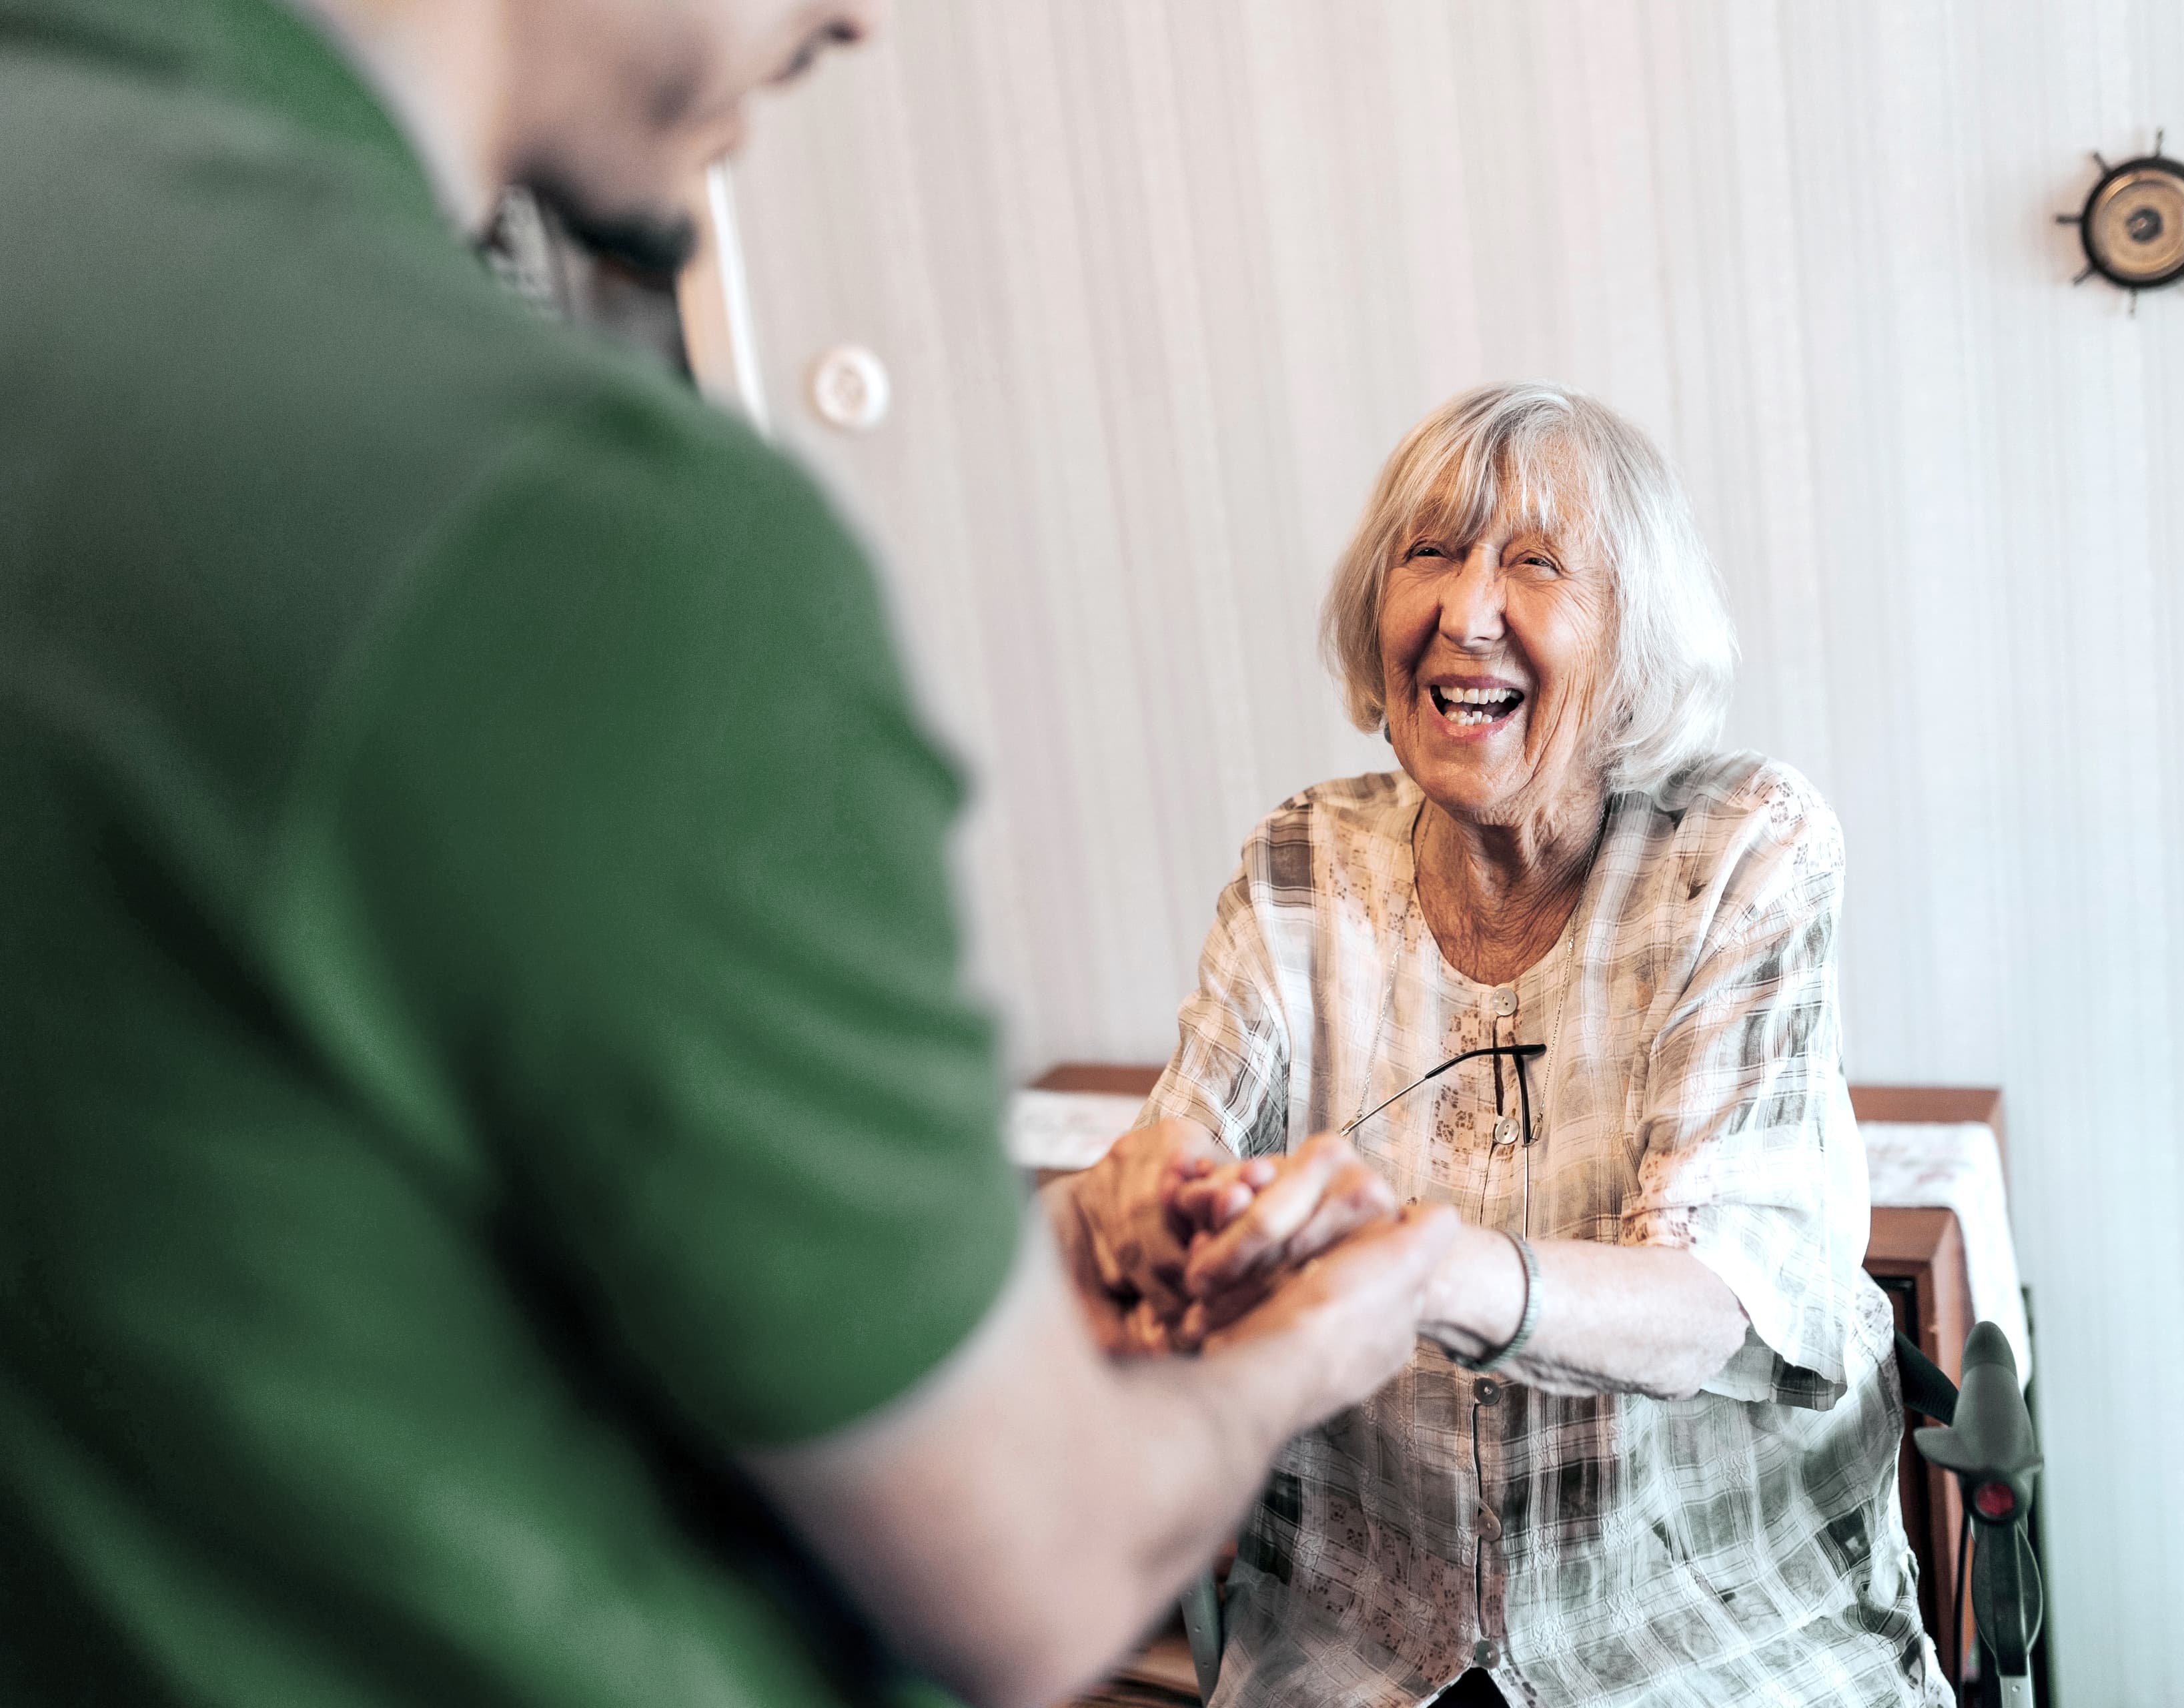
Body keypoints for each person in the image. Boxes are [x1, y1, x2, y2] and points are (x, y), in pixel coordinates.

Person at [0, 2, 1456, 1705]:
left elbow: (267, 1224)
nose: (854, 16)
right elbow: (1041, 1571)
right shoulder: (591, 537)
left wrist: (976, 1286)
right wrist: (1321, 1345)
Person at [1067, 384, 1950, 1707]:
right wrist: (1134, 1202)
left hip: (1715, 1646)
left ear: (1637, 643)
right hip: (1356, 1650)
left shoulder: (1739, 848)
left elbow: (1712, 1302)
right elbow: (1176, 1148)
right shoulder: (1308, 860)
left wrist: (1431, 1271)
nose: (1465, 609)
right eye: (1430, 553)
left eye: (1535, 563)